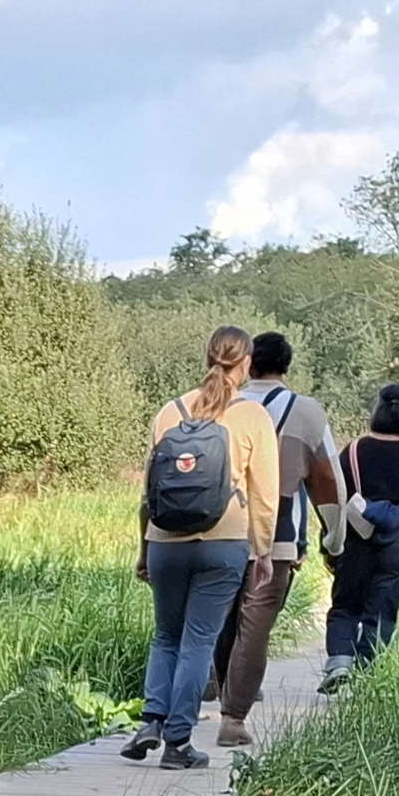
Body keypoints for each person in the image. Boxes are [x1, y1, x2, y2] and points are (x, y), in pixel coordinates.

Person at [126, 325, 279, 771]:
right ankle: (178, 741)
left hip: (164, 542)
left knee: (166, 636)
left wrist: (143, 548)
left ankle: (152, 720)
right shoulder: (252, 416)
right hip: (223, 542)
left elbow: (148, 493)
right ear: (246, 361)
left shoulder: (169, 412)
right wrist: (264, 551)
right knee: (198, 640)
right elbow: (265, 494)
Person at [204, 330, 343, 745]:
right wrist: (333, 540)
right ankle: (233, 718)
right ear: (287, 365)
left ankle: (219, 683)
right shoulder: (306, 411)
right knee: (256, 626)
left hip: (218, 529)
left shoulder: (219, 402)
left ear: (249, 362)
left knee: (224, 617)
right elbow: (327, 480)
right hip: (279, 536)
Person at [322, 380, 399, 685]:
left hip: (356, 539)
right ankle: (366, 671)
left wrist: (328, 543)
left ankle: (339, 661)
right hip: (397, 542)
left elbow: (336, 496)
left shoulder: (354, 450)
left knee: (345, 604)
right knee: (383, 608)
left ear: (378, 408)